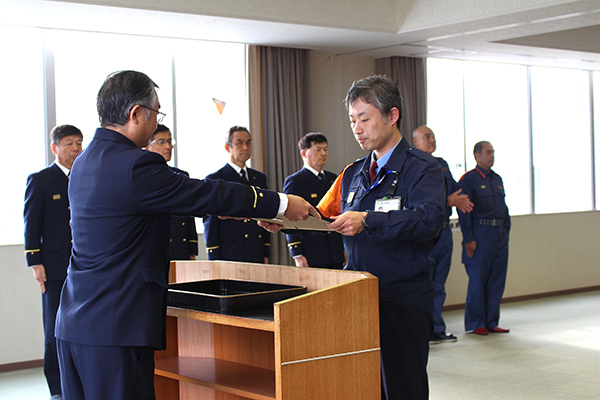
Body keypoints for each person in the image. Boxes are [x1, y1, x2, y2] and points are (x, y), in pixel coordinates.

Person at [54, 70, 317, 400]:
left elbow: (153, 206)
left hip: (76, 321)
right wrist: (279, 202)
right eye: (157, 113)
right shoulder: (136, 165)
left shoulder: (85, 161)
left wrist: (245, 211)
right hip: (116, 327)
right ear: (136, 114)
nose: (157, 123)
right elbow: (205, 193)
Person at [316, 75, 446, 400]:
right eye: (352, 120)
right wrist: (284, 221)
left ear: (392, 115)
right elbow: (327, 217)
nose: (357, 128)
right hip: (357, 295)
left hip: (401, 296)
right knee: (362, 384)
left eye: (365, 118)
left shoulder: (424, 169)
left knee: (403, 387)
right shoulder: (353, 173)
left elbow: (427, 221)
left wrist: (370, 220)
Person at [24, 124, 83, 400]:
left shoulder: (84, 176)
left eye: (79, 143)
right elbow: (31, 225)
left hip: (85, 266)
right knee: (55, 331)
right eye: (69, 143)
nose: (75, 149)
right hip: (54, 267)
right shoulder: (41, 180)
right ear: (55, 148)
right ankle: (58, 389)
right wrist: (35, 263)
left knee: (83, 327)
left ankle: (80, 383)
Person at [413, 125, 474, 344]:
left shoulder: (442, 164)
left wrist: (460, 199)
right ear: (416, 142)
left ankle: (437, 328)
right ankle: (423, 330)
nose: (432, 140)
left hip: (445, 231)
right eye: (426, 136)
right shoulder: (413, 165)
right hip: (426, 234)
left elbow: (454, 189)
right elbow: (416, 199)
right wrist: (448, 201)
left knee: (439, 284)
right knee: (424, 283)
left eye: (433, 136)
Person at [457, 141, 511, 336]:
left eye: (493, 152)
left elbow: (503, 208)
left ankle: (491, 321)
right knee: (478, 280)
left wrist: (506, 231)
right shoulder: (469, 179)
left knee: (497, 279)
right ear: (477, 156)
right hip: (480, 234)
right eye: (488, 152)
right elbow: (464, 212)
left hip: (499, 235)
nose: (492, 155)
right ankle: (476, 322)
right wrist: (469, 238)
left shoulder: (497, 179)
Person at [203, 126, 271, 263]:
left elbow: (266, 215)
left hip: (255, 250)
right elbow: (211, 222)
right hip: (230, 253)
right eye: (239, 143)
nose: (245, 147)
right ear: (228, 147)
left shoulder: (259, 178)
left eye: (248, 142)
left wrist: (266, 251)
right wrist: (214, 257)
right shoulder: (216, 179)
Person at [283, 132, 345, 269]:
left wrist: (344, 248)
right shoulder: (295, 181)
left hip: (335, 250)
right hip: (312, 250)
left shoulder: (333, 178)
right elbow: (289, 219)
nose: (323, 153)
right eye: (318, 149)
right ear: (304, 154)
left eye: (325, 149)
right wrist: (297, 253)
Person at [144, 124, 198, 260]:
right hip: (155, 251)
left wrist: (191, 250)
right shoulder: (142, 177)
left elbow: (189, 215)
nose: (168, 147)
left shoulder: (181, 176)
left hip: (180, 249)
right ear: (147, 146)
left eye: (169, 141)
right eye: (161, 142)